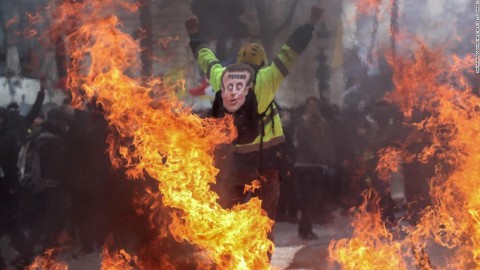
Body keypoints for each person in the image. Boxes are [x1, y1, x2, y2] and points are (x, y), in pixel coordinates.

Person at [185, 4, 324, 242]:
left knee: (228, 221)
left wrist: (194, 34)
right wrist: (310, 23)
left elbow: (205, 57)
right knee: (264, 220)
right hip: (266, 165)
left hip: (234, 165)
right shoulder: (268, 77)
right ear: (261, 63)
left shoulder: (221, 78)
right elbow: (291, 51)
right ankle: (259, 261)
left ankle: (230, 261)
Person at [294, 97, 336, 240]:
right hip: (305, 165)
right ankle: (305, 230)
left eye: (315, 105)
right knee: (307, 198)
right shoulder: (301, 122)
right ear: (306, 106)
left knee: (313, 199)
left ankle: (307, 228)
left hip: (318, 165)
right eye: (310, 105)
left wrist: (327, 158)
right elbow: (302, 143)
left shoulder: (322, 123)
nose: (313, 107)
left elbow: (327, 141)